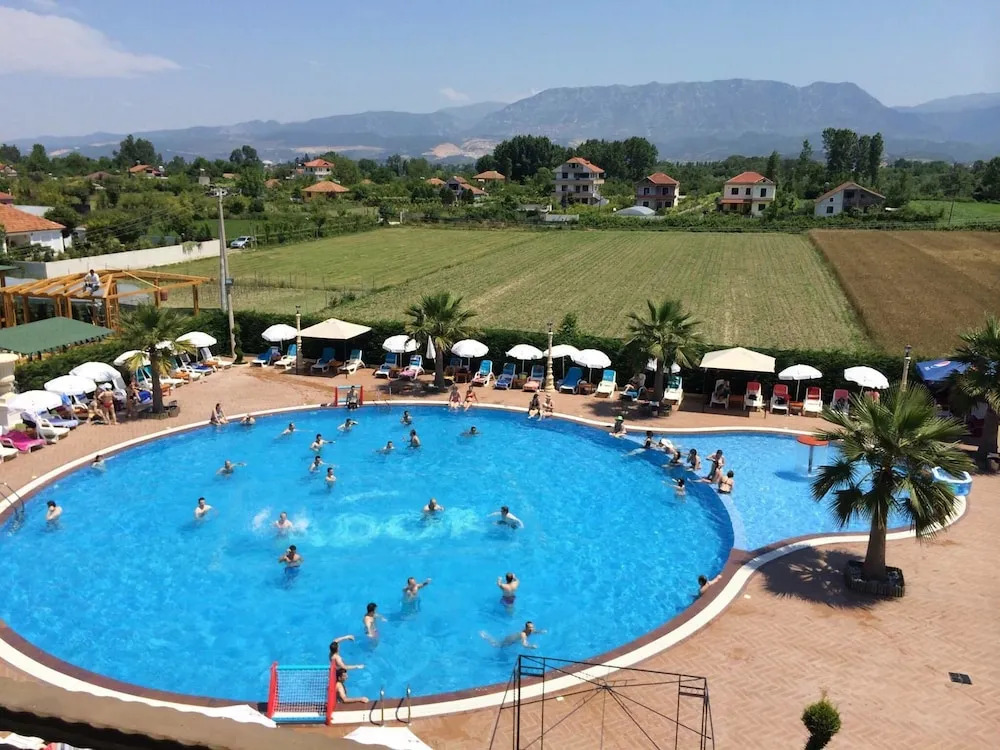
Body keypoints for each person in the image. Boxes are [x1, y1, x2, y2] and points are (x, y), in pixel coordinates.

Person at [481, 621, 545, 649]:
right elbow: (524, 644)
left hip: (513, 638)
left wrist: (541, 632)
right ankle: (486, 636)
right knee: (497, 645)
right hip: (510, 640)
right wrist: (531, 647)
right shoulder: (523, 634)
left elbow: (534, 632)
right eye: (530, 627)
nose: (532, 629)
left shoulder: (531, 630)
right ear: (526, 628)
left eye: (533, 627)